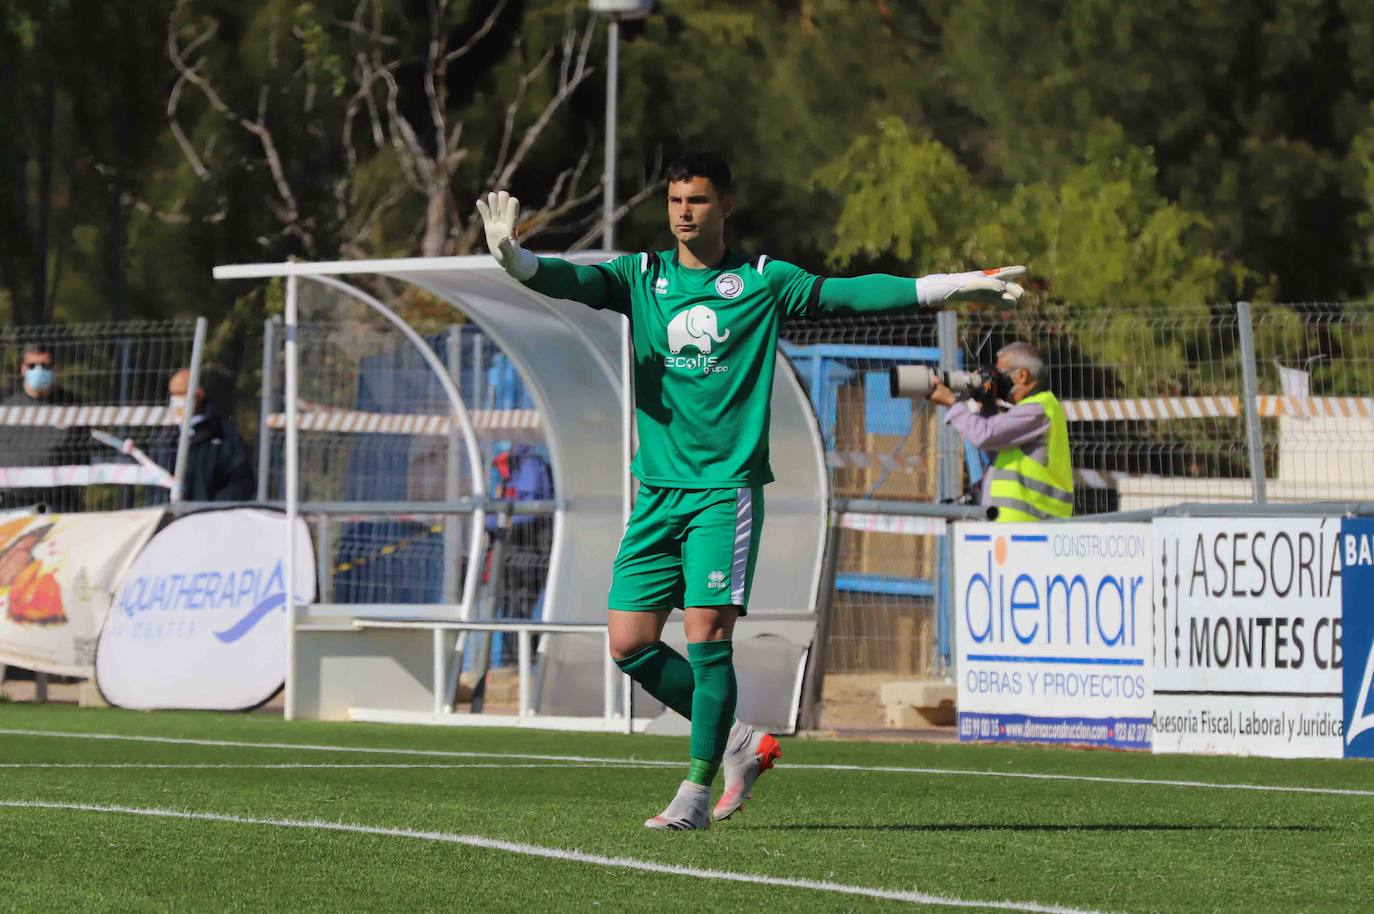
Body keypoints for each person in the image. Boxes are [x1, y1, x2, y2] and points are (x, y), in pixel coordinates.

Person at [475, 152, 1025, 830]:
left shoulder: (763, 282)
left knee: (707, 635)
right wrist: (517, 262)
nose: (683, 212)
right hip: (656, 493)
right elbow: (572, 280)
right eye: (675, 200)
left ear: (725, 205)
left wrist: (952, 287)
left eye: (698, 201)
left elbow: (849, 293)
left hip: (723, 492)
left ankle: (694, 794)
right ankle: (738, 741)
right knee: (628, 644)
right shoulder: (640, 276)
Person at [926, 341, 1073, 521]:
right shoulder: (1031, 408)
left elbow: (985, 435)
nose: (996, 380)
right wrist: (988, 404)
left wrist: (952, 402)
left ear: (1022, 375)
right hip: (1012, 525)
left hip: (1028, 527)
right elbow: (995, 446)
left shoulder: (1038, 409)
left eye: (1000, 374)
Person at [0, 342, 85, 513]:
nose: (38, 370)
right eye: (32, 366)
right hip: (10, 501)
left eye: (45, 366)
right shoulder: (4, 401)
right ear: (22, 369)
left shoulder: (72, 404)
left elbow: (84, 450)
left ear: (55, 368)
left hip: (59, 501)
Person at [150, 369, 255, 502]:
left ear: (199, 393)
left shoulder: (221, 434)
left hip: (208, 516)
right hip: (169, 517)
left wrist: (216, 510)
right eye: (173, 394)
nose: (176, 400)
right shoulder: (164, 436)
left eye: (181, 394)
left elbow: (241, 480)